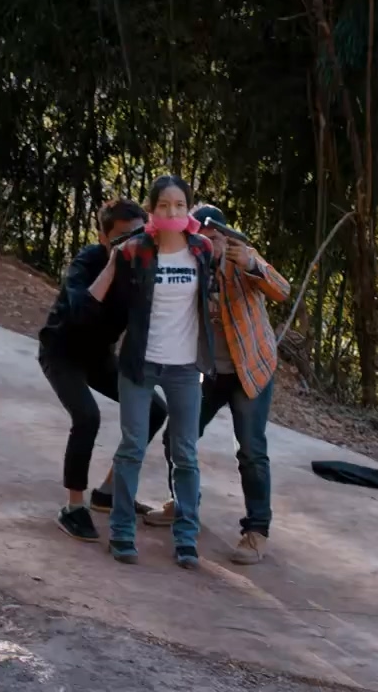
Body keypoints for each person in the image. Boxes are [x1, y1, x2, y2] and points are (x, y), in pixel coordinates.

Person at [141, 205, 290, 565]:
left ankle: (257, 530)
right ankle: (183, 503)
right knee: (177, 436)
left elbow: (282, 290)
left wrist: (251, 264)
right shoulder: (186, 266)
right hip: (208, 373)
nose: (207, 245)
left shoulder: (244, 259)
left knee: (250, 449)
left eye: (214, 239)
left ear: (225, 238)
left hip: (250, 369)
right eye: (200, 239)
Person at [91, 175, 217, 569]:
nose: (172, 211)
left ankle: (186, 538)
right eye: (164, 205)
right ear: (152, 210)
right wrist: (114, 258)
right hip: (140, 362)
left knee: (186, 454)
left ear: (188, 209)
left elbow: (210, 299)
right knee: (132, 447)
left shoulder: (202, 249)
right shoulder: (136, 250)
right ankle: (122, 532)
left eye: (180, 204)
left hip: (185, 368)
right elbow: (97, 296)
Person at [39, 199, 173, 543]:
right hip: (62, 351)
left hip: (100, 357)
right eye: (122, 238)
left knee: (155, 410)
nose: (132, 244)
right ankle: (73, 507)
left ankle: (109, 492)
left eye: (139, 235)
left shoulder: (146, 266)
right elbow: (81, 312)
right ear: (103, 237)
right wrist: (114, 263)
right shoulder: (88, 261)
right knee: (87, 416)